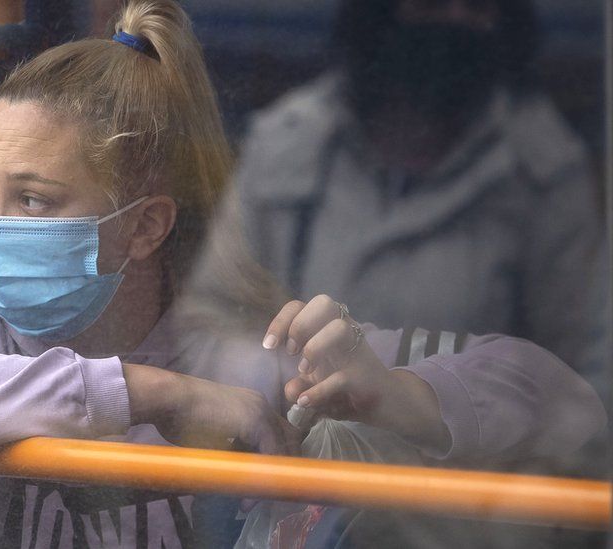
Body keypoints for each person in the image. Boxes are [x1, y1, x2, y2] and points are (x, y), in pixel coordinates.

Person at [0, 1, 605, 547]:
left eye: (32, 199)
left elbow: (566, 401)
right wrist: (155, 391)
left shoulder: (239, 342)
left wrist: (401, 398)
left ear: (145, 227)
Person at [225, 0, 611, 410]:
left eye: (477, 8)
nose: (455, 20)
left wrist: (454, 419)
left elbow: (587, 379)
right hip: (295, 456)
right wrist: (271, 383)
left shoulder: (542, 170)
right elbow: (211, 321)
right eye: (431, 4)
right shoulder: (290, 140)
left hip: (466, 468)